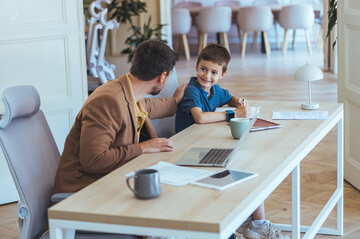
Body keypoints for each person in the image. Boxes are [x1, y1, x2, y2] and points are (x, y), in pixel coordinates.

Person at [175, 44, 289, 239]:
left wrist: (239, 102)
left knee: (250, 164)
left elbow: (230, 97)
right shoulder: (192, 90)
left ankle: (257, 222)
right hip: (189, 151)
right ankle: (249, 222)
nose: (207, 76)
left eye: (213, 72)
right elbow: (200, 118)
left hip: (206, 144)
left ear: (222, 75)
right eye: (203, 69)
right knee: (241, 165)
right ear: (196, 66)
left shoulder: (215, 89)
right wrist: (233, 113)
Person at [53, 40, 187, 194]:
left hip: (108, 179)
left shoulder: (128, 90)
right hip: (83, 190)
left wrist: (176, 101)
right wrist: (143, 147)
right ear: (162, 77)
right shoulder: (107, 101)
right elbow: (93, 160)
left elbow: (148, 107)